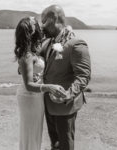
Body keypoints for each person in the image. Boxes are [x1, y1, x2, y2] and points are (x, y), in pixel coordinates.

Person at [40, 5, 91, 150]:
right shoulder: (48, 43)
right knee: (54, 143)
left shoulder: (76, 44)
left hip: (65, 106)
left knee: (65, 144)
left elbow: (83, 76)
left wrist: (67, 95)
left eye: (44, 21)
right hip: (48, 103)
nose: (41, 25)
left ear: (54, 19)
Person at [15, 16, 66, 150]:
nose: (39, 24)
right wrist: (49, 87)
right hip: (29, 96)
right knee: (30, 132)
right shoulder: (27, 55)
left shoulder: (33, 49)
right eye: (35, 23)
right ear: (31, 32)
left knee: (35, 131)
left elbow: (51, 36)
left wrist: (67, 30)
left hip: (36, 97)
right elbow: (29, 85)